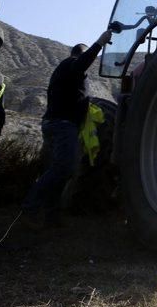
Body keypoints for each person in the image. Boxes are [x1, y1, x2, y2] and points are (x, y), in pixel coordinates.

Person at [22, 29, 114, 228]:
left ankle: (51, 217)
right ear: (79, 54)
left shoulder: (63, 71)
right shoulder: (71, 64)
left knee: (58, 169)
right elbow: (82, 63)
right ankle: (30, 207)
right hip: (63, 126)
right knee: (64, 168)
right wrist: (100, 42)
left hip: (55, 124)